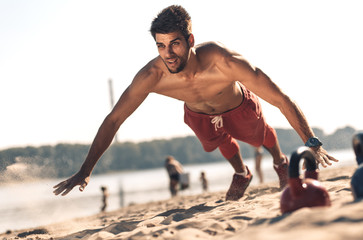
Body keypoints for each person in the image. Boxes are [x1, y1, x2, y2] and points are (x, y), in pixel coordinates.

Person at [53, 5, 338, 201]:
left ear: (190, 39)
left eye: (175, 44)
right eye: (160, 45)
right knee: (217, 142)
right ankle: (242, 173)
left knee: (259, 134)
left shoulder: (224, 62)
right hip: (199, 113)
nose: (168, 54)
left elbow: (280, 99)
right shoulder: (152, 76)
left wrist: (312, 141)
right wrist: (85, 170)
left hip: (238, 106)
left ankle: (280, 162)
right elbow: (114, 120)